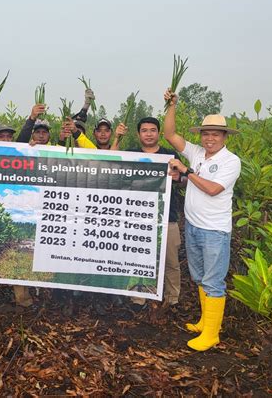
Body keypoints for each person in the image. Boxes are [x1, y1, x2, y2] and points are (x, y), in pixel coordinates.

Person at [164, 89, 241, 351]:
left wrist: (186, 171)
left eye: (215, 134)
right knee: (199, 277)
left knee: (213, 281)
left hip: (215, 230)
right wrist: (171, 105)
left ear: (224, 136)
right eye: (206, 133)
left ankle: (212, 334)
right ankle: (205, 323)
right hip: (194, 226)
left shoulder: (231, 161)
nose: (209, 138)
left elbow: (212, 189)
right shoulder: (197, 153)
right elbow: (170, 135)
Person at [115, 118, 184, 310]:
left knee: (171, 262)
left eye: (152, 130)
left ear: (158, 133)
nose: (148, 134)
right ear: (138, 135)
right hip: (137, 218)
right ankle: (139, 298)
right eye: (144, 130)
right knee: (138, 260)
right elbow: (110, 162)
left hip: (167, 217)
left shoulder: (170, 155)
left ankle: (172, 299)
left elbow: (185, 178)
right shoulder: (131, 154)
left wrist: (179, 176)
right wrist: (117, 138)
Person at [0, 122, 34, 312]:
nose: (5, 139)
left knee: (17, 263)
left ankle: (23, 301)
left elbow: (25, 142)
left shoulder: (16, 154)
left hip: (12, 213)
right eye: (0, 136)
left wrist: (31, 145)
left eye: (8, 136)